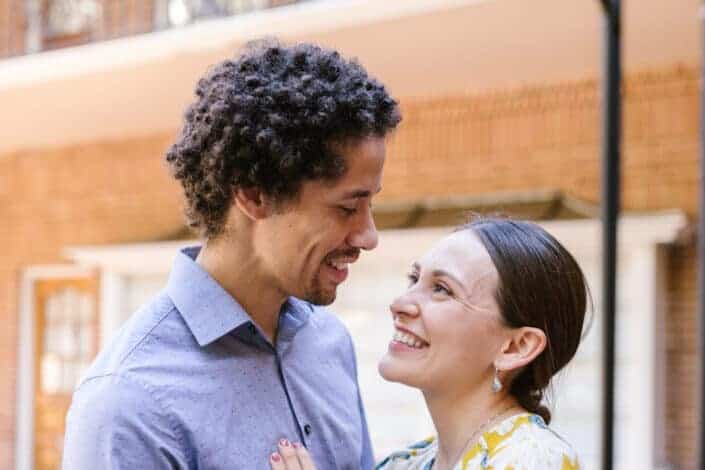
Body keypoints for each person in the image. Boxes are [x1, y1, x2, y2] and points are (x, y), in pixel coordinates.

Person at [62, 39, 401, 469]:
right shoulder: (128, 401)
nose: (369, 236)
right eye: (347, 208)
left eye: (371, 204)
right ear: (254, 195)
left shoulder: (329, 344)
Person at [269, 217, 588, 470]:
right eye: (414, 280)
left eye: (442, 289)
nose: (400, 304)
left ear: (515, 347)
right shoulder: (406, 463)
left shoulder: (533, 458)